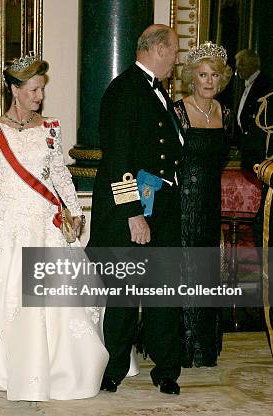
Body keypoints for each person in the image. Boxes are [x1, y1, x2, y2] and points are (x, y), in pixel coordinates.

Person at [0, 54, 108, 401]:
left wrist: (74, 212)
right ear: (14, 90)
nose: (39, 96)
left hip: (46, 220)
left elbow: (60, 173)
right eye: (32, 90)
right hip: (8, 221)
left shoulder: (50, 128)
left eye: (41, 90)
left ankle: (61, 367)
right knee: (6, 296)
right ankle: (2, 366)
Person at [89, 24, 183, 395]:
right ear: (158, 49)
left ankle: (166, 368)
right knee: (124, 290)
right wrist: (133, 213)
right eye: (174, 51)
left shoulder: (159, 91)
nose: (177, 59)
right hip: (133, 209)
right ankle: (113, 367)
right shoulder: (123, 90)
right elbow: (118, 158)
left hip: (164, 205)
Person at [174, 42, 233, 368]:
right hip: (182, 203)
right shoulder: (178, 111)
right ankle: (182, 347)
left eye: (214, 75)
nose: (209, 81)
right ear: (191, 78)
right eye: (202, 75)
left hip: (210, 202)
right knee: (185, 268)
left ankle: (203, 348)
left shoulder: (225, 114)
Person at [235, 49, 271, 170]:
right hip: (248, 147)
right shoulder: (247, 84)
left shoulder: (265, 84)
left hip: (259, 150)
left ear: (251, 65)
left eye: (241, 65)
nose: (238, 69)